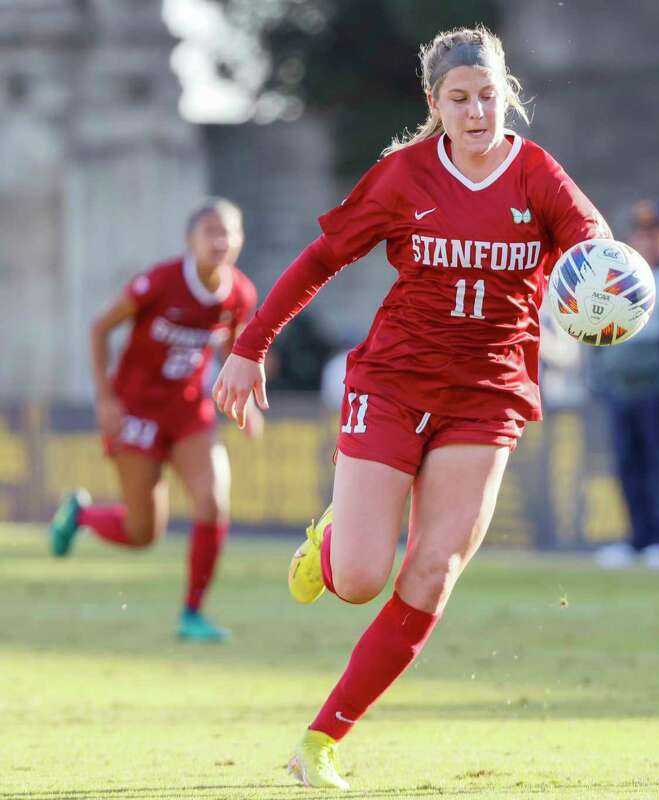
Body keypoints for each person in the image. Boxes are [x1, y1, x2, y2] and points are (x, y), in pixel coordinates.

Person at [211, 26, 609, 790]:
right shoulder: (404, 176)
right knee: (359, 579)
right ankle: (332, 542)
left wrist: (611, 285)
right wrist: (250, 346)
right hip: (393, 382)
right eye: (460, 99)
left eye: (489, 96)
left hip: (488, 393)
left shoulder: (537, 174)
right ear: (435, 104)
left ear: (506, 94)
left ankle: (320, 742)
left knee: (432, 570)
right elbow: (323, 258)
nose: (476, 111)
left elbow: (592, 248)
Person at [48, 198, 259, 643]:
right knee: (141, 533)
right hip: (137, 411)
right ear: (190, 239)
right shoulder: (159, 283)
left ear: (240, 240)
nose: (220, 241)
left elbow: (234, 351)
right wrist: (105, 398)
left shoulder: (240, 293)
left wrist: (248, 401)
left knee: (213, 502)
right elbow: (99, 327)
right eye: (210, 232)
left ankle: (192, 615)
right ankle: (82, 515)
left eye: (229, 233)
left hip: (188, 413)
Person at [590, 199, 659, 570]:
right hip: (621, 388)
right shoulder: (618, 278)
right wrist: (602, 381)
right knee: (627, 464)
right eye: (640, 233)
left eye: (654, 233)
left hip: (658, 390)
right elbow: (599, 334)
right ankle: (639, 537)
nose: (647, 240)